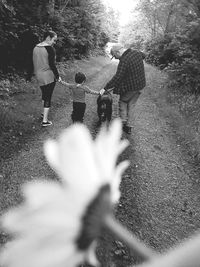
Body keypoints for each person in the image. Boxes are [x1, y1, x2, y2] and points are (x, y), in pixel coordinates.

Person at [101, 44, 146, 134]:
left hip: (131, 87)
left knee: (123, 102)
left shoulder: (124, 60)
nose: (115, 58)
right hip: (140, 85)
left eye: (115, 56)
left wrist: (105, 88)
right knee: (131, 105)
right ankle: (129, 126)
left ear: (118, 52)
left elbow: (118, 77)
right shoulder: (136, 52)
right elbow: (144, 55)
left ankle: (123, 122)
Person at [32, 30, 61, 127]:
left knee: (44, 95)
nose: (54, 42)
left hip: (39, 75)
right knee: (48, 97)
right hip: (48, 76)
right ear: (48, 37)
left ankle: (42, 113)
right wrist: (58, 76)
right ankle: (45, 121)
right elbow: (52, 65)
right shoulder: (50, 49)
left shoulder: (36, 47)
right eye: (54, 40)